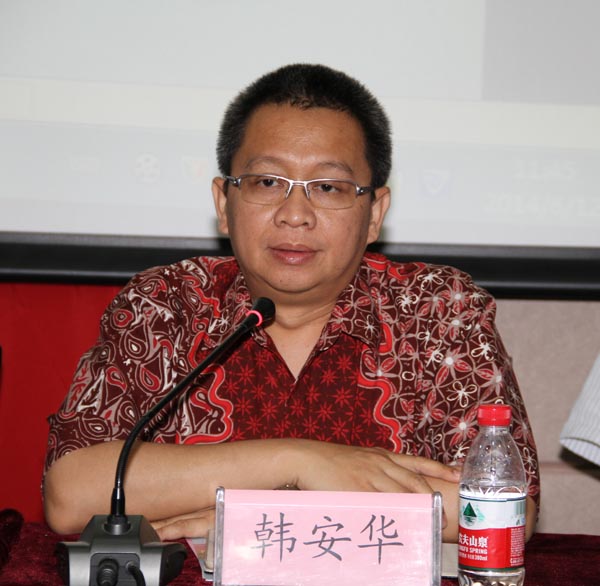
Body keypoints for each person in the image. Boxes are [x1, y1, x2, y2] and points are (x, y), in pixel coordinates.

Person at [43, 63, 540, 543]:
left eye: (327, 187)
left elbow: (500, 510)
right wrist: (297, 461)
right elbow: (71, 495)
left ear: (374, 214)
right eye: (267, 182)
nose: (295, 215)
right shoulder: (165, 304)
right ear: (223, 203)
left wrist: (258, 519)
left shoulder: (438, 309)